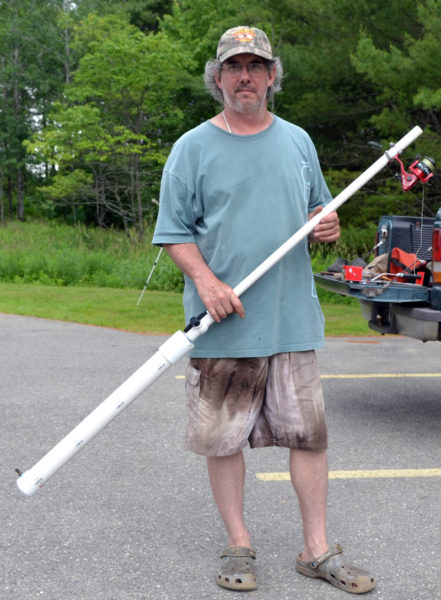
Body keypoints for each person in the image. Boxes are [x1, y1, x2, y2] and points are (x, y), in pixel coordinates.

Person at [153, 25, 375, 594]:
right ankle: (239, 543)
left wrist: (328, 225)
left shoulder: (298, 141)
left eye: (255, 66)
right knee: (223, 440)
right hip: (223, 324)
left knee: (310, 439)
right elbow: (173, 233)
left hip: (291, 320)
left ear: (272, 76)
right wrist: (205, 281)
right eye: (233, 67)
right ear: (218, 78)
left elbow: (322, 212)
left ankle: (316, 549)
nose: (244, 76)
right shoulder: (192, 148)